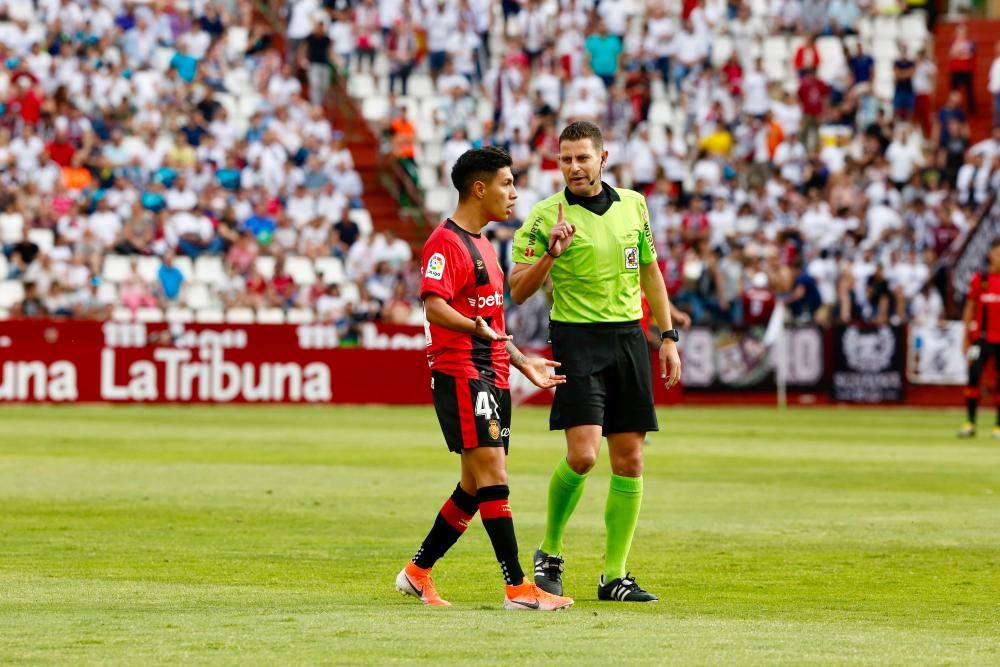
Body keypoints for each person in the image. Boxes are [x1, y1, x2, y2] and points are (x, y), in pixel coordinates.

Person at [509, 121, 682, 603]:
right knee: (584, 454)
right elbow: (517, 290)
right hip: (577, 339)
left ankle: (614, 576)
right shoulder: (546, 217)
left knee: (630, 460)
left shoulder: (634, 205)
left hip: (629, 338)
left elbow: (650, 270)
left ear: (603, 159)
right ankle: (551, 551)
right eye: (565, 159)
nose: (574, 167)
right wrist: (549, 254)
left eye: (582, 158)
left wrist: (667, 336)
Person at [395, 147, 575, 611]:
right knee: (494, 473)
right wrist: (472, 328)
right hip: (461, 373)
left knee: (475, 487)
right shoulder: (445, 243)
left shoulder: (487, 249)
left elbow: (491, 323)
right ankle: (517, 587)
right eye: (507, 183)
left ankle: (416, 573)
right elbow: (434, 304)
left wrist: (523, 361)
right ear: (480, 188)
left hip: (490, 372)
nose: (514, 193)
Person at [959, 237, 1000, 439]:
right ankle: (970, 422)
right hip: (980, 339)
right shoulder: (980, 279)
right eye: (998, 252)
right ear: (990, 254)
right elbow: (970, 308)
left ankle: (999, 426)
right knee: (973, 376)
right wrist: (965, 337)